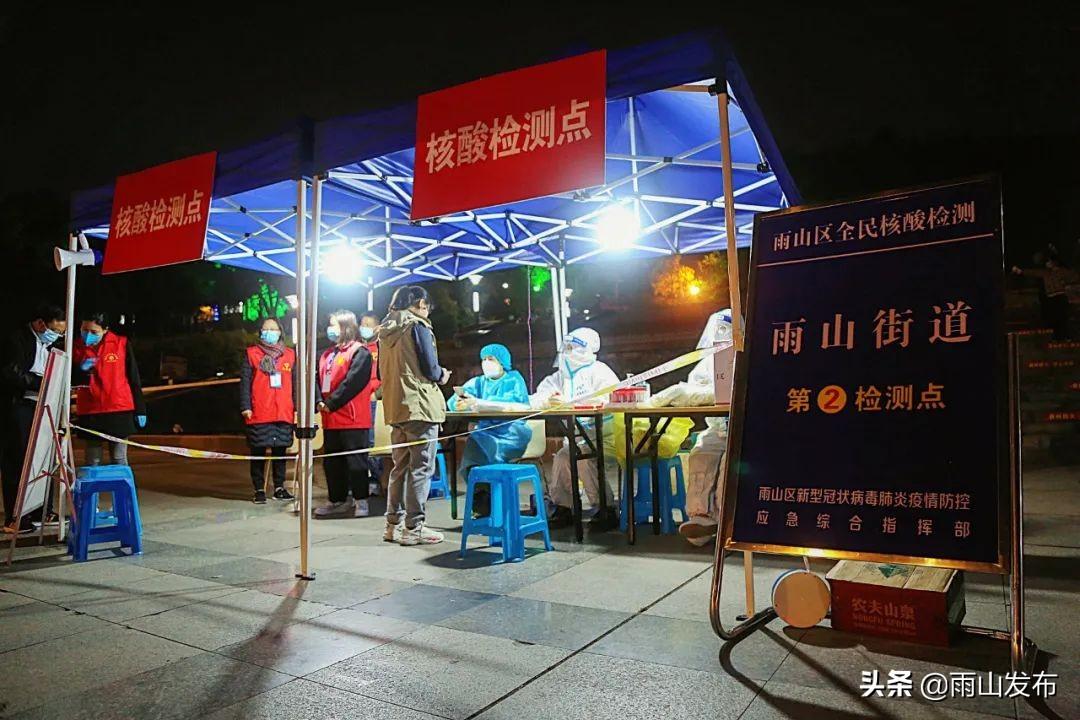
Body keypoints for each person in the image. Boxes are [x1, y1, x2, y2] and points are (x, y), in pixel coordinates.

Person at [648, 309, 734, 547]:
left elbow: (735, 389)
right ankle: (701, 518)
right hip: (717, 426)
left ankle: (730, 519)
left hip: (745, 427)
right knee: (700, 454)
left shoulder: (746, 355)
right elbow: (694, 388)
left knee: (731, 462)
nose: (721, 335)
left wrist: (698, 394)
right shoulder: (708, 361)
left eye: (726, 329)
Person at [378, 285, 450, 545]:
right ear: (420, 303)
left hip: (395, 407)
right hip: (419, 406)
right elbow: (430, 369)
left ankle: (392, 525)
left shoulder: (385, 333)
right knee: (421, 468)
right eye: (427, 306)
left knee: (399, 468)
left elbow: (380, 375)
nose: (427, 311)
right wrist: (443, 375)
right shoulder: (417, 326)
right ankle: (414, 528)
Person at [530, 327, 619, 530]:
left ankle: (605, 507)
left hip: (606, 435)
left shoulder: (600, 371)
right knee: (563, 457)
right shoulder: (563, 375)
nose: (569, 351)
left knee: (585, 458)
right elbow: (541, 394)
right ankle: (564, 507)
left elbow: (609, 398)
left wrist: (570, 402)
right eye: (567, 346)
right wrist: (548, 400)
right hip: (579, 437)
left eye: (574, 346)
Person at [1, 304, 66, 534]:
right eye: (54, 330)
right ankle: (15, 516)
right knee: (18, 459)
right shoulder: (17, 340)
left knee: (44, 459)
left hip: (43, 405)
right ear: (40, 323)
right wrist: (40, 382)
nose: (57, 336)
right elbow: (11, 372)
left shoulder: (50, 345)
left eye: (61, 333)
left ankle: (43, 510)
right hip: (19, 407)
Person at [447, 343, 531, 516]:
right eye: (484, 359)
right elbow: (454, 400)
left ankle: (494, 498)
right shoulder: (479, 382)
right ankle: (482, 496)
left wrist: (481, 403)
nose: (487, 363)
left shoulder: (513, 379)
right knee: (473, 450)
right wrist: (461, 404)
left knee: (486, 445)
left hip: (511, 432)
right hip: (485, 431)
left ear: (503, 362)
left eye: (491, 359)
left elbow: (511, 403)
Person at [315, 310, 376, 519]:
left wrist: (331, 403)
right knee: (332, 462)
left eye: (334, 324)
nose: (330, 329)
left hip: (353, 418)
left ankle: (361, 500)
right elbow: (316, 380)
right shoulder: (327, 354)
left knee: (356, 461)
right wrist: (319, 401)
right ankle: (336, 499)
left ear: (346, 327)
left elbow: (353, 382)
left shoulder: (361, 352)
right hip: (330, 418)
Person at [72, 311, 146, 467]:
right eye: (84, 330)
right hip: (90, 410)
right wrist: (79, 371)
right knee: (93, 461)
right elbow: (69, 379)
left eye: (94, 332)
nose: (88, 335)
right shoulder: (75, 348)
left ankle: (122, 491)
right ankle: (92, 492)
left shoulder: (121, 344)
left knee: (119, 459)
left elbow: (133, 378)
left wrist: (140, 408)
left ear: (105, 329)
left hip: (118, 409)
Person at [240, 318, 297, 504]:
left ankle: (279, 487)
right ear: (260, 332)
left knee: (280, 451)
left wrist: (296, 408)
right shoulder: (251, 354)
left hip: (283, 411)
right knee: (258, 453)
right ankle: (259, 488)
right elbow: (245, 383)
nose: (270, 332)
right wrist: (246, 406)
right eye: (266, 329)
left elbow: (295, 385)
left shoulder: (290, 355)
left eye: (274, 329)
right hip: (259, 411)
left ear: (281, 332)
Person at [1013, 255, 1078, 341]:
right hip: (1051, 298)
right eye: (1047, 262)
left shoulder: (1061, 271)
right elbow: (1033, 272)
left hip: (1060, 296)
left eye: (1049, 262)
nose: (1047, 264)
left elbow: (1073, 276)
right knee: (1054, 318)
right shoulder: (1045, 273)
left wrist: (1067, 284)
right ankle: (1058, 336)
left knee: (1062, 317)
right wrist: (1020, 271)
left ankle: (1065, 336)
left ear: (1054, 263)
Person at [360, 311, 383, 496]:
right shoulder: (358, 348)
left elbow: (386, 375)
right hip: (356, 400)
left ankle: (374, 479)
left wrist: (376, 393)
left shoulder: (382, 348)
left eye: (368, 324)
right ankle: (359, 481)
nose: (364, 327)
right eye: (362, 324)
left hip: (373, 400)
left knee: (371, 441)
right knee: (358, 442)